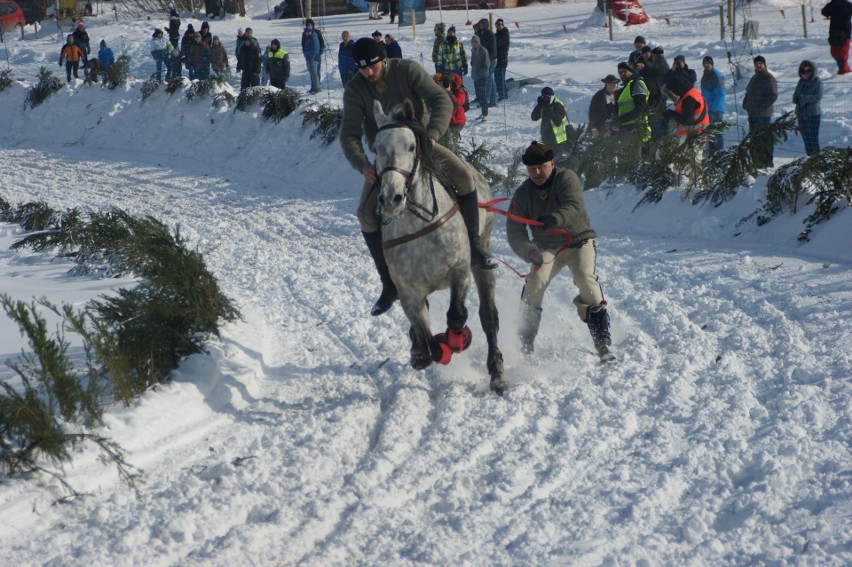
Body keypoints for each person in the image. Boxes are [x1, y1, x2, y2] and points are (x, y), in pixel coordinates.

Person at [340, 37, 498, 316]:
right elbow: (349, 134)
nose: (368, 73)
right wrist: (361, 163)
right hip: (388, 160)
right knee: (365, 214)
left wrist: (433, 135)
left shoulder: (408, 70)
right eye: (362, 69)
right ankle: (388, 283)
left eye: (373, 66)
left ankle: (473, 245)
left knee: (463, 176)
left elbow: (442, 100)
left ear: (383, 59)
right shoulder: (355, 90)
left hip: (422, 146)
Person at [506, 141, 613, 360]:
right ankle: (525, 345)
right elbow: (514, 231)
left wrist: (553, 219)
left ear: (552, 163)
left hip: (578, 242)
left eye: (541, 167)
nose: (537, 172)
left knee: (585, 278)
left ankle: (602, 340)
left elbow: (573, 206)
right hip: (546, 248)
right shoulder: (522, 194)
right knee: (534, 282)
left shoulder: (567, 178)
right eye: (531, 169)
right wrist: (529, 252)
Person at [742, 55, 777, 168]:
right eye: (756, 63)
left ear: (764, 64)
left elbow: (773, 96)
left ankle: (767, 162)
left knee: (764, 139)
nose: (758, 65)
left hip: (763, 115)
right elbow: (748, 92)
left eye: (760, 63)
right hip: (752, 114)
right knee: (755, 139)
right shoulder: (754, 78)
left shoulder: (769, 78)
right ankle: (757, 162)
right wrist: (746, 104)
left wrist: (761, 107)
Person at [611, 62, 651, 158]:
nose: (622, 74)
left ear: (631, 71)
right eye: (620, 72)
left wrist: (621, 120)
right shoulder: (627, 87)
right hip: (627, 129)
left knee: (635, 162)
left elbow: (641, 109)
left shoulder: (637, 84)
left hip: (637, 129)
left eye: (624, 71)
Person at [793, 60, 823, 155]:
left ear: (812, 71)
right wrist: (799, 98)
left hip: (812, 114)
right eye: (803, 71)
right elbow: (795, 97)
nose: (805, 73)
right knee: (805, 139)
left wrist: (803, 98)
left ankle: (816, 160)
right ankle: (809, 159)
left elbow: (817, 97)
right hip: (801, 114)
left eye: (808, 71)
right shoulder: (800, 82)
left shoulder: (817, 81)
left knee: (812, 139)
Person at [531, 86, 568, 156]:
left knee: (556, 163)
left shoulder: (558, 105)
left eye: (547, 96)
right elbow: (534, 118)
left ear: (552, 96)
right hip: (546, 139)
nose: (546, 98)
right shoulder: (544, 104)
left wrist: (549, 109)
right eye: (544, 96)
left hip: (557, 141)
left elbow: (558, 122)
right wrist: (539, 105)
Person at [700, 56, 726, 154]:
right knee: (709, 133)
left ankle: (718, 154)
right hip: (708, 109)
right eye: (704, 63)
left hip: (716, 109)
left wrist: (714, 108)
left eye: (708, 63)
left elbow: (720, 94)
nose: (706, 65)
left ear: (712, 64)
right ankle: (712, 153)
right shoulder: (705, 75)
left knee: (716, 132)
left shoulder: (716, 75)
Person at [821, 0, 852, 74]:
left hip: (837, 32)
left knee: (838, 53)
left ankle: (844, 71)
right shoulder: (847, 4)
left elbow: (824, 12)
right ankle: (845, 70)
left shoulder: (834, 4)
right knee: (841, 53)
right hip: (842, 32)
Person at [435, 72, 466, 142]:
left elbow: (457, 104)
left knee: (452, 142)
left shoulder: (460, 91)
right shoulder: (442, 89)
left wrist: (448, 92)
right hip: (446, 120)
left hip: (456, 122)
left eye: (447, 83)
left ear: (452, 83)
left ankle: (455, 151)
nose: (445, 85)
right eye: (443, 83)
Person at [475, 18, 498, 107]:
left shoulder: (490, 34)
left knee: (488, 80)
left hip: (491, 60)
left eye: (482, 25)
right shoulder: (481, 34)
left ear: (486, 25)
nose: (480, 26)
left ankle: (486, 100)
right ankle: (493, 100)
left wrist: (487, 60)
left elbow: (492, 50)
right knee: (491, 79)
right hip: (485, 60)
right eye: (479, 25)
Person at [470, 34, 490, 121]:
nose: (474, 44)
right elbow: (474, 61)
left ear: (478, 42)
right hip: (476, 76)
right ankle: (482, 113)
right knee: (478, 95)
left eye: (475, 42)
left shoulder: (483, 51)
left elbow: (487, 64)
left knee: (483, 95)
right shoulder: (473, 50)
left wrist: (480, 71)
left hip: (482, 76)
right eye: (473, 42)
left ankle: (485, 114)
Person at [302, 24, 322, 93]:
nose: (307, 33)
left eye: (308, 32)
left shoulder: (313, 38)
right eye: (306, 32)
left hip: (313, 59)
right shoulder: (308, 38)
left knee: (314, 74)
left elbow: (315, 49)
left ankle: (317, 88)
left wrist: (310, 58)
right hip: (311, 58)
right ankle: (313, 87)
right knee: (312, 74)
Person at [495, 18, 510, 101]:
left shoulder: (504, 33)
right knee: (497, 79)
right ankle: (501, 94)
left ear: (503, 25)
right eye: (497, 25)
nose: (498, 26)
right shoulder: (497, 34)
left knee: (500, 78)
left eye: (500, 25)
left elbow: (499, 43)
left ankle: (503, 95)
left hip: (502, 60)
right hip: (497, 60)